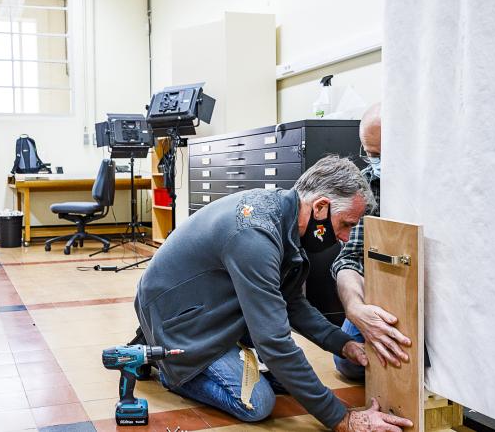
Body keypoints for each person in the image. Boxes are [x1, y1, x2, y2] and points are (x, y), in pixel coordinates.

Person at [135, 156, 413, 432]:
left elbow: (292, 303)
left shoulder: (285, 217)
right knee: (258, 404)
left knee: (287, 378)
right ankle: (170, 368)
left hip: (206, 308)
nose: (344, 238)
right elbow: (272, 341)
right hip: (179, 322)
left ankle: (200, 357)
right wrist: (342, 418)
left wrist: (343, 344)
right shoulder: (255, 236)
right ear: (321, 207)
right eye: (346, 225)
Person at [331, 104, 413, 380]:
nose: (379, 163)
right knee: (349, 361)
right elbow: (349, 257)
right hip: (385, 289)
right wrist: (355, 309)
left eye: (387, 154)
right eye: (372, 155)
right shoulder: (366, 188)